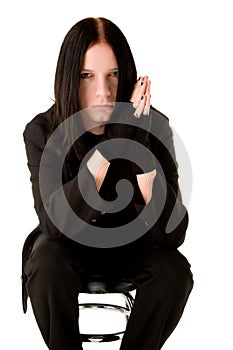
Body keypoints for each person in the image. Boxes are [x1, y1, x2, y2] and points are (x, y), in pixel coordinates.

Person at [21, 17, 194, 350]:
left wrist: (137, 142)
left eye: (113, 75)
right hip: (68, 247)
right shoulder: (42, 131)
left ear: (126, 75)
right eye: (87, 76)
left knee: (174, 271)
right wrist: (114, 143)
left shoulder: (153, 126)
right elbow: (55, 224)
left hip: (133, 245)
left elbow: (173, 233)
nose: (104, 91)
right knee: (46, 262)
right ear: (69, 80)